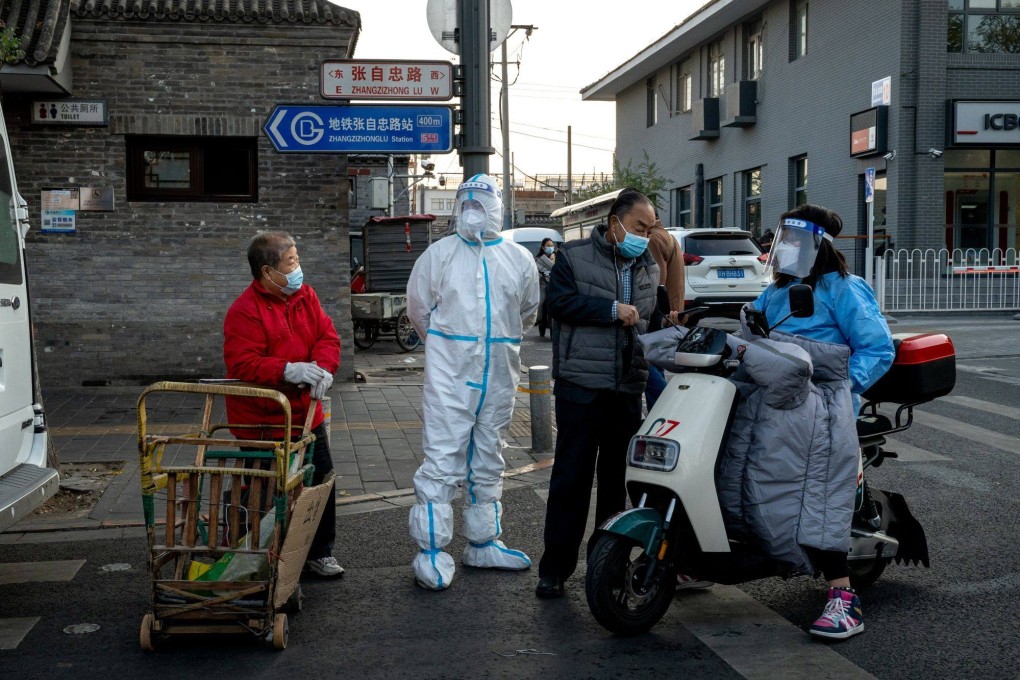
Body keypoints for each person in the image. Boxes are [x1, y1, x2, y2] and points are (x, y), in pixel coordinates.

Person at [752, 204, 894, 639]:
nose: (786, 248)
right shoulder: (778, 290)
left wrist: (841, 386)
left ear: (817, 246)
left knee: (819, 495)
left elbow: (878, 349)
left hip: (825, 409)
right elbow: (753, 329)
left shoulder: (844, 289)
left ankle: (843, 599)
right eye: (783, 239)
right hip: (777, 403)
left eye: (795, 241)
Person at [405, 173, 541, 591]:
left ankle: (483, 541)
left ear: (497, 209)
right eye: (466, 204)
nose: (472, 212)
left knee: (488, 454)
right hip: (451, 374)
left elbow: (528, 312)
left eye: (480, 205)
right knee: (443, 456)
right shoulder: (439, 254)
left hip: (500, 372)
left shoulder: (519, 259)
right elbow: (418, 310)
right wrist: (447, 351)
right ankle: (430, 550)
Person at [535, 188, 660, 599]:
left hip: (626, 387)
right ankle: (555, 568)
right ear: (615, 223)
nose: (646, 234)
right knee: (571, 479)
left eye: (651, 227)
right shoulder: (572, 256)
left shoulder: (647, 266)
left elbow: (651, 318)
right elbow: (558, 304)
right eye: (640, 226)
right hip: (581, 386)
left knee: (614, 483)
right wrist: (611, 311)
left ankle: (605, 564)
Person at [223, 231, 344, 577]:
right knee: (262, 490)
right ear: (267, 271)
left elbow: (327, 336)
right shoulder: (244, 311)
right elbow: (242, 363)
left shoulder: (306, 295)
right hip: (263, 420)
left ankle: (319, 553)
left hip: (308, 413)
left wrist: (323, 368)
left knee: (321, 479)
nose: (298, 268)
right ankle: (255, 558)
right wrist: (287, 370)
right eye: (291, 262)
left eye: (297, 259)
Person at [644, 217, 686, 409]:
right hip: (672, 307)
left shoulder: (653, 239)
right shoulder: (668, 236)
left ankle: (666, 408)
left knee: (646, 362)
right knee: (656, 360)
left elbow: (656, 279)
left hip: (658, 309)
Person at [535, 238, 556, 335]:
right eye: (548, 246)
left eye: (552, 245)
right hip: (543, 284)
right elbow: (535, 271)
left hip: (554, 284)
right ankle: (538, 319)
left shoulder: (558, 257)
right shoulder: (538, 259)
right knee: (541, 301)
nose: (550, 247)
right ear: (543, 247)